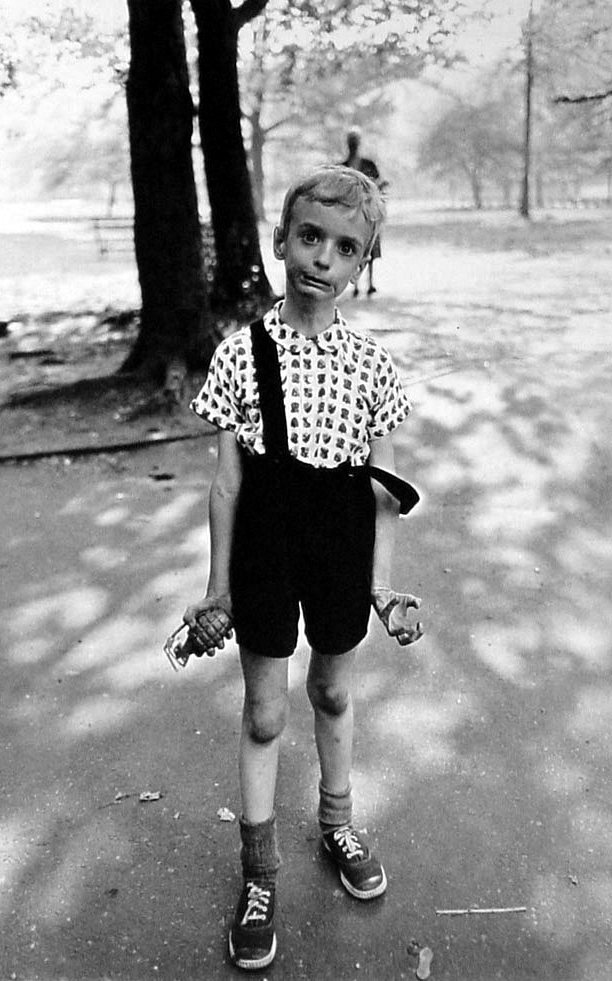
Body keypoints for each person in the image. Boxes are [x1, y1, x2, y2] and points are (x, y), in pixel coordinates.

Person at [184, 165, 424, 971]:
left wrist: (382, 586)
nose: (323, 257)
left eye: (345, 246)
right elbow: (225, 483)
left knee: (330, 690)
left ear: (364, 263)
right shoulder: (240, 352)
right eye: (310, 236)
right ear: (281, 239)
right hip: (263, 544)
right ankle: (259, 874)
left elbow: (385, 491)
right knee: (263, 713)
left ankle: (337, 820)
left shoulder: (373, 367)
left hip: (339, 546)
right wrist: (216, 587)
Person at [340, 129, 387, 297]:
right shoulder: (342, 167)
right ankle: (355, 285)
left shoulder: (369, 165)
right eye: (351, 143)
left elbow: (378, 185)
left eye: (355, 142)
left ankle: (370, 283)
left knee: (370, 248)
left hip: (368, 212)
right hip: (350, 215)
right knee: (352, 248)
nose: (353, 146)